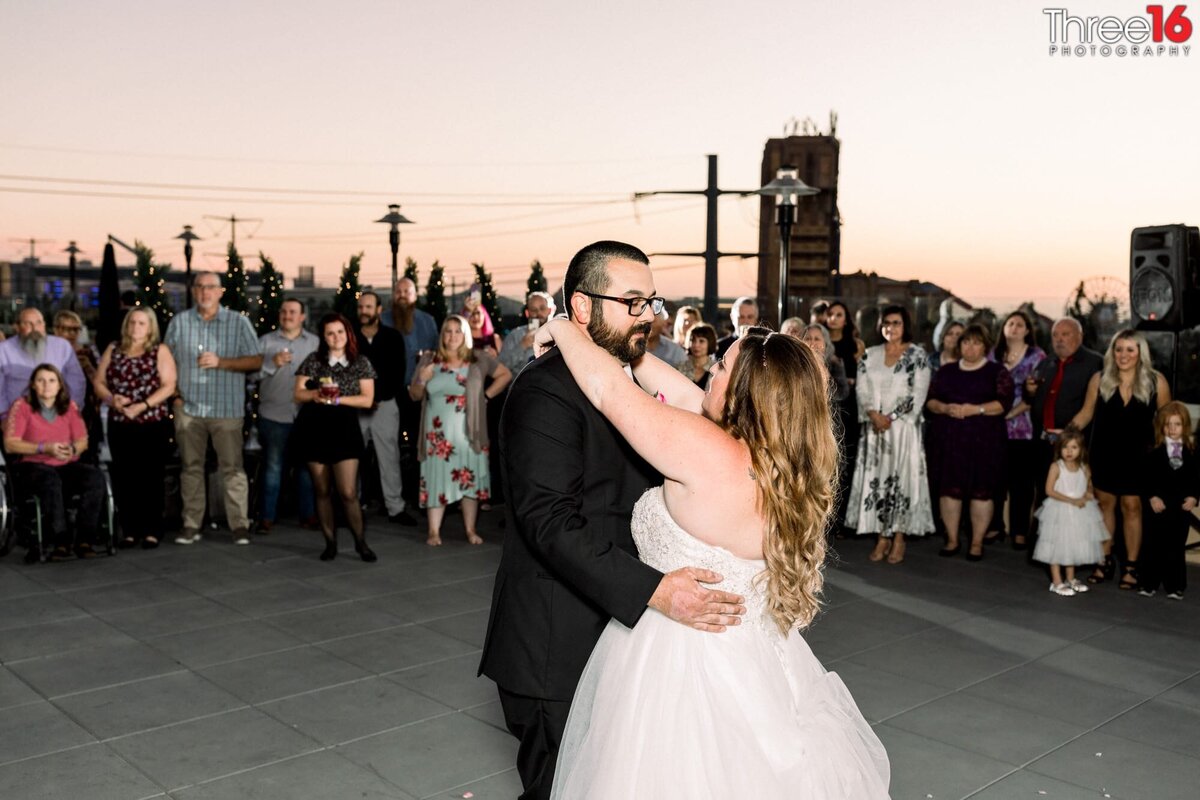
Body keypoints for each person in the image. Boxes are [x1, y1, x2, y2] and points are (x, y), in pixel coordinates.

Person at [532, 316, 890, 798]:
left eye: (721, 366)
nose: (709, 373)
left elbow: (608, 393)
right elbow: (684, 394)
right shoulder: (781, 465)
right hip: (755, 660)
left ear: (744, 396)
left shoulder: (703, 449)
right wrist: (631, 349)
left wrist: (563, 327)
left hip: (679, 660)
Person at [479, 242, 751, 800]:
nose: (648, 315)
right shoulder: (545, 390)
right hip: (558, 644)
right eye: (631, 301)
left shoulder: (630, 382)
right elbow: (549, 523)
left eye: (650, 301)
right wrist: (654, 591)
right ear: (582, 307)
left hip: (624, 642)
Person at [163, 272, 263, 546]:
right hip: (189, 409)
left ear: (220, 292)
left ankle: (239, 526)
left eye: (210, 287)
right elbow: (165, 361)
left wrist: (221, 362)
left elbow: (256, 360)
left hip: (226, 408)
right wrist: (174, 396)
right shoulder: (180, 322)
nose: (204, 292)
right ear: (193, 291)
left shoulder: (238, 322)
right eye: (199, 287)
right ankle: (191, 524)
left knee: (232, 469)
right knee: (190, 468)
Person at [1069, 329, 1170, 588]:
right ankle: (1104, 560)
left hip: (1140, 458)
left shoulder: (1156, 382)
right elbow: (1086, 415)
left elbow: (1167, 422)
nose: (1123, 355)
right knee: (1104, 508)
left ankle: (1131, 567)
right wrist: (1065, 435)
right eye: (1118, 349)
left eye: (1130, 350)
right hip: (1105, 454)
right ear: (1112, 352)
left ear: (1140, 353)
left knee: (1132, 508)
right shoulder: (1099, 379)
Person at [409, 315, 512, 545]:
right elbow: (414, 395)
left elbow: (505, 375)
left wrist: (486, 396)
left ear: (465, 335)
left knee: (469, 481)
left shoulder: (478, 358)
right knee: (437, 479)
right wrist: (422, 380)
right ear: (442, 335)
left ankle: (470, 529)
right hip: (436, 436)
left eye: (458, 331)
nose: (453, 335)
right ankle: (434, 531)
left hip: (469, 434)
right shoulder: (429, 359)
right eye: (448, 331)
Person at [846, 305, 935, 563]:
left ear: (905, 325)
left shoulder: (918, 355)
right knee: (879, 480)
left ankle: (898, 537)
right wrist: (874, 415)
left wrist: (891, 418)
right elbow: (861, 390)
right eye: (886, 323)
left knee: (901, 480)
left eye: (896, 323)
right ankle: (881, 537)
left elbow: (918, 394)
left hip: (903, 430)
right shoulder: (869, 356)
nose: (891, 328)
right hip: (875, 431)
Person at [292, 313, 378, 562]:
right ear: (324, 337)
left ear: (348, 333)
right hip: (315, 428)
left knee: (348, 491)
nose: (335, 337)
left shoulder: (359, 361)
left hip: (345, 429)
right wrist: (316, 395)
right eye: (330, 333)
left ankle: (360, 542)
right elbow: (298, 393)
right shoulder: (314, 360)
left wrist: (338, 400)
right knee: (321, 489)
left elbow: (367, 399)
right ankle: (330, 542)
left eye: (340, 332)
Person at [925, 324, 1015, 560]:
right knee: (949, 491)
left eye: (976, 342)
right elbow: (931, 401)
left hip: (984, 443)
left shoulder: (997, 372)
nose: (970, 347)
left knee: (981, 493)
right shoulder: (946, 371)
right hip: (949, 443)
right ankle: (952, 540)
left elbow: (1003, 404)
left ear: (985, 346)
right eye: (966, 342)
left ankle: (976, 543)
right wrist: (945, 407)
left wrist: (976, 409)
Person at [2, 364, 106, 561]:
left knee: (94, 477)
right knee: (49, 479)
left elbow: (82, 440)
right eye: (40, 380)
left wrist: (73, 449)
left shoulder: (70, 407)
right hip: (32, 465)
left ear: (60, 385)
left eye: (52, 380)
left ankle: (85, 539)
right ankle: (60, 540)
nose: (46, 385)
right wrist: (44, 448)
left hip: (65, 464)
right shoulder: (22, 406)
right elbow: (10, 444)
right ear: (33, 385)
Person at [93, 308, 178, 549]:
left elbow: (169, 385)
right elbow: (98, 382)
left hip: (151, 423)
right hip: (120, 422)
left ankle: (152, 530)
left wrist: (142, 405)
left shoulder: (159, 351)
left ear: (150, 327)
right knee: (124, 476)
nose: (136, 327)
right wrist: (112, 400)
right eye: (132, 322)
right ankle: (130, 530)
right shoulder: (113, 349)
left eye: (142, 323)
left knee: (150, 476)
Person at [255, 298, 319, 533]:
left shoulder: (315, 343)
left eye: (293, 312)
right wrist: (271, 364)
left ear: (302, 317)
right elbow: (251, 377)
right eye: (283, 311)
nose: (287, 315)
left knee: (306, 470)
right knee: (273, 468)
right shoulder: (265, 342)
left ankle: (308, 515)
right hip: (274, 416)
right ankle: (267, 518)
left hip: (305, 417)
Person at [355, 291, 417, 526]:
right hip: (356, 406)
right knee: (352, 458)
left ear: (378, 310)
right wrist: (362, 398)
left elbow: (397, 374)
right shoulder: (350, 336)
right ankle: (353, 505)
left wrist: (375, 397)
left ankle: (395, 507)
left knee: (389, 458)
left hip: (384, 404)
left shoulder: (392, 337)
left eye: (368, 307)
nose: (364, 311)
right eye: (361, 307)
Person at [990, 311, 1046, 549]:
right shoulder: (993, 355)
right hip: (992, 426)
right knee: (994, 478)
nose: (1014, 327)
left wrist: (1010, 414)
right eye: (1010, 323)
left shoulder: (1036, 356)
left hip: (1023, 426)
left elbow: (1036, 394)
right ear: (1003, 328)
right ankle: (994, 525)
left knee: (1021, 482)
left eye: (1019, 324)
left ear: (1027, 330)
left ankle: (1019, 530)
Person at [1033, 429, 1108, 596]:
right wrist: (1072, 500)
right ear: (1059, 449)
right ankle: (1057, 581)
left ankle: (1070, 578)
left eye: (1074, 447)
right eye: (1065, 447)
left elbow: (1088, 485)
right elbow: (1049, 490)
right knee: (1056, 545)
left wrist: (1088, 494)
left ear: (1081, 449)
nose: (1069, 451)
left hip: (1078, 512)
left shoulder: (1084, 467)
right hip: (1060, 510)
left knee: (1072, 545)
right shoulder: (1056, 467)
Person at [385, 277, 439, 509]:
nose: (403, 294)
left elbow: (437, 354)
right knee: (391, 447)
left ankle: (422, 495)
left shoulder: (427, 321)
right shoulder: (383, 320)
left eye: (407, 291)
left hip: (421, 394)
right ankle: (392, 497)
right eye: (399, 291)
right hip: (391, 393)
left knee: (421, 446)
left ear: (415, 295)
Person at [1138, 402, 1198, 600]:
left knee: (1176, 546)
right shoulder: (1153, 451)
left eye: (1177, 424)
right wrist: (1152, 496)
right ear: (1161, 426)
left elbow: (1196, 478)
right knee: (1152, 544)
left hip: (1180, 508)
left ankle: (1175, 585)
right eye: (1168, 425)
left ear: (1185, 426)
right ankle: (1149, 582)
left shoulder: (1192, 452)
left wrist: (1194, 496)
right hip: (1157, 506)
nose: (1172, 429)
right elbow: (1145, 477)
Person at [0, 308, 88, 420]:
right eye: (28, 324)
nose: (34, 329)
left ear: (44, 325)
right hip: (16, 419)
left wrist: (72, 412)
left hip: (57, 417)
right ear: (17, 327)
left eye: (38, 323)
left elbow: (76, 383)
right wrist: (4, 416)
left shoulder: (62, 347)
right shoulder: (3, 350)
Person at [826, 301, 865, 534]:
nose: (834, 319)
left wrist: (851, 382)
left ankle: (842, 519)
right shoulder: (821, 342)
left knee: (845, 461)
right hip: (827, 406)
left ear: (846, 319)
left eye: (839, 314)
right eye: (830, 314)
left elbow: (863, 375)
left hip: (849, 408)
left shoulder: (855, 345)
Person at [501, 291, 556, 376]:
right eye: (534, 310)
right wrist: (522, 346)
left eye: (542, 308)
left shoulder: (559, 333)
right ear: (527, 313)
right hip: (523, 385)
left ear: (550, 310)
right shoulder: (515, 335)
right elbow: (501, 367)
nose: (538, 313)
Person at [797, 322, 850, 404]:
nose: (812, 342)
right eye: (808, 338)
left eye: (817, 339)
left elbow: (842, 394)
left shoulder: (835, 363)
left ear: (826, 343)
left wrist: (827, 379)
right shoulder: (796, 363)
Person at [677, 323, 717, 389]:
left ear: (710, 343)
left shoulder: (717, 369)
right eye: (693, 340)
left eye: (701, 341)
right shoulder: (680, 368)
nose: (696, 345)